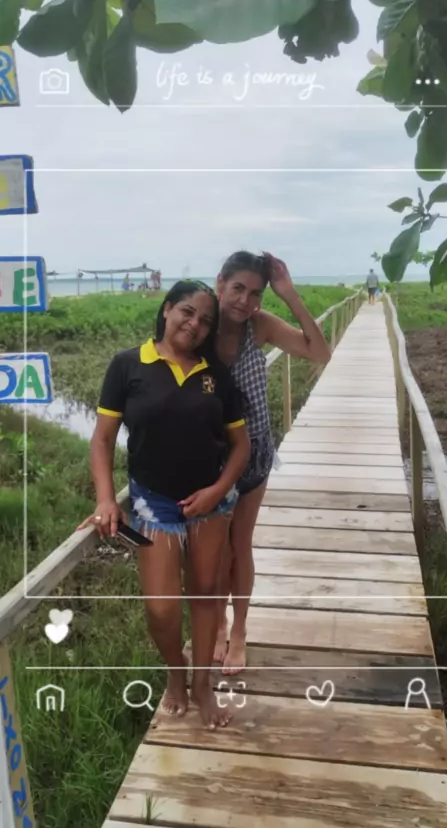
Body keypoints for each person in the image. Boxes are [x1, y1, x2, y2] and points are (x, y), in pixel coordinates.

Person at [77, 280, 251, 729]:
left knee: (206, 592)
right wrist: (105, 499)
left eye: (205, 321)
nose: (195, 325)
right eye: (187, 312)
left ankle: (202, 685)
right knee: (161, 607)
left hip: (211, 503)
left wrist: (218, 490)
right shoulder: (128, 365)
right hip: (154, 503)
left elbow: (241, 446)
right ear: (168, 309)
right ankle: (177, 670)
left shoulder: (216, 375)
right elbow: (102, 440)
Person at [213, 251, 331, 674]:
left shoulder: (259, 326)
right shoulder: (200, 324)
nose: (244, 301)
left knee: (239, 545)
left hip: (253, 452)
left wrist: (289, 294)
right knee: (213, 551)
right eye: (237, 288)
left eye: (255, 293)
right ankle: (218, 624)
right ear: (220, 283)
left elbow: (319, 352)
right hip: (207, 458)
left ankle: (240, 630)